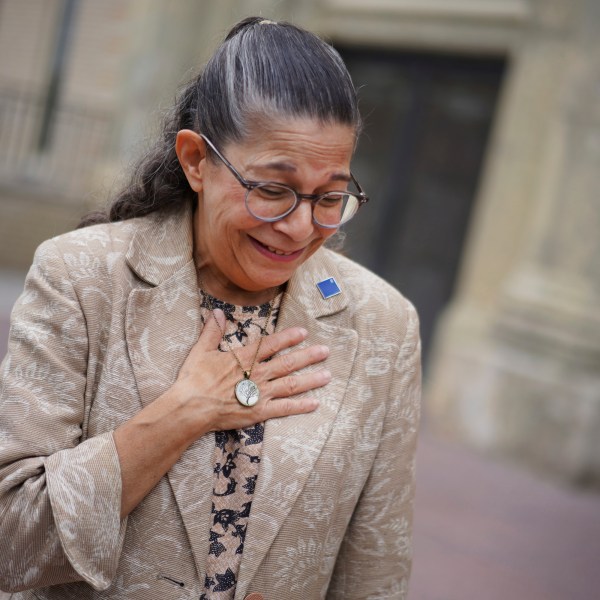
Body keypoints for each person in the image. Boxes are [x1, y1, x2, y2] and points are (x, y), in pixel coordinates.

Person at [0, 16, 421, 600]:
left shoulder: (385, 325)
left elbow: (375, 575)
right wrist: (181, 413)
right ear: (196, 160)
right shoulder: (82, 277)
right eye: (272, 190)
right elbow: (10, 538)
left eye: (330, 197)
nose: (300, 227)